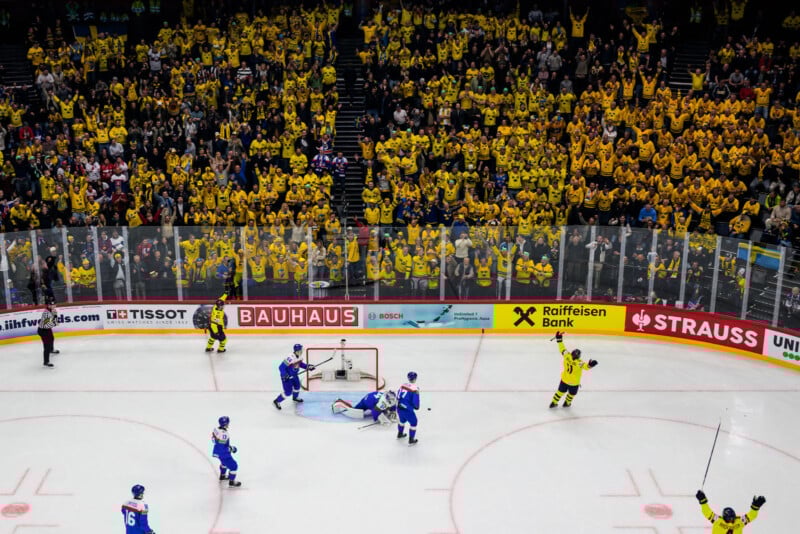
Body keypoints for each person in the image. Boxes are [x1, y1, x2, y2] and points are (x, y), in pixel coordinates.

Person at [549, 331, 597, 408]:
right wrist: (591, 365)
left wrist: (559, 338)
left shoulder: (567, 356)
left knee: (560, 392)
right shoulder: (579, 363)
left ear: (571, 353)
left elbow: (562, 348)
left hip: (564, 379)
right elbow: (586, 367)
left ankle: (553, 402)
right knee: (571, 394)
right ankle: (567, 403)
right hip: (574, 383)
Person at [695, 490, 764, 532]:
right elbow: (707, 512)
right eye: (729, 519)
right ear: (724, 517)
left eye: (732, 518)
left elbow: (751, 516)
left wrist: (755, 507)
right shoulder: (718, 520)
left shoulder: (739, 521)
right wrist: (703, 501)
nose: (731, 520)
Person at [273, 344, 315, 410]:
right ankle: (277, 401)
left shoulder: (300, 357)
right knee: (288, 392)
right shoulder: (290, 358)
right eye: (301, 350)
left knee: (297, 386)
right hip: (287, 378)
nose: (302, 351)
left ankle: (295, 397)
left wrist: (308, 366)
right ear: (297, 351)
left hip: (294, 375)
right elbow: (281, 367)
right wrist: (284, 375)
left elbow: (300, 364)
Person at [331, 390, 397, 423]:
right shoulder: (383, 402)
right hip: (367, 401)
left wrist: (393, 411)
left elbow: (393, 405)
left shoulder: (389, 399)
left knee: (382, 408)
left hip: (371, 397)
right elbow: (375, 412)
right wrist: (378, 419)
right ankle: (339, 401)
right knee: (355, 410)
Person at [212, 416, 242, 488]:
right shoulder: (224, 434)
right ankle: (232, 482)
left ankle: (222, 476)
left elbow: (214, 440)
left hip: (217, 450)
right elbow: (222, 447)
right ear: (225, 424)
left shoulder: (216, 429)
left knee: (223, 463)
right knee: (234, 466)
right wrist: (231, 448)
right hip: (223, 453)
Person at [397, 371, 420, 445]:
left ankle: (400, 434)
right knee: (414, 422)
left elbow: (397, 396)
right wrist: (417, 406)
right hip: (407, 410)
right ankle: (411, 440)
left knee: (401, 421)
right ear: (415, 378)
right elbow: (415, 401)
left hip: (399, 407)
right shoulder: (415, 389)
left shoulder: (403, 385)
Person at [37, 297, 59, 368]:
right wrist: (55, 323)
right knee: (47, 346)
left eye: (55, 304)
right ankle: (46, 362)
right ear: (49, 305)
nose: (55, 305)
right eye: (53, 304)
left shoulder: (51, 310)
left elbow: (53, 319)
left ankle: (51, 350)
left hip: (47, 329)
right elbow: (46, 325)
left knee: (52, 338)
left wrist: (55, 317)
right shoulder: (46, 314)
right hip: (43, 330)